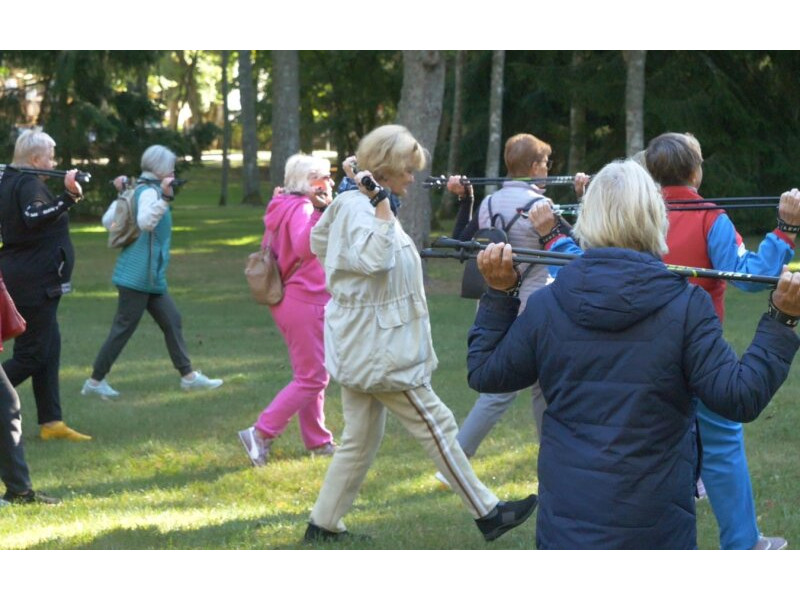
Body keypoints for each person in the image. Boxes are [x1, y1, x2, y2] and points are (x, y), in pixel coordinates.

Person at [468, 159, 800, 549]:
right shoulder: (686, 305)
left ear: (588, 219)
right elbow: (741, 395)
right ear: (654, 218)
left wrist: (500, 293)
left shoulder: (549, 303)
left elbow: (485, 371)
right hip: (652, 531)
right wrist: (781, 320)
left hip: (573, 533)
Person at [303, 124, 537, 543]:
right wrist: (378, 204)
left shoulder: (354, 204)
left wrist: (377, 205)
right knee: (438, 425)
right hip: (380, 349)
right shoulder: (362, 208)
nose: (412, 178)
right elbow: (371, 258)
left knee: (358, 441)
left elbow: (324, 244)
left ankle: (323, 524)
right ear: (387, 170)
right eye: (407, 170)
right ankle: (488, 513)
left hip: (364, 343)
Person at [433, 134, 588, 487]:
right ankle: (453, 465)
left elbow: (463, 241)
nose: (548, 169)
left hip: (496, 306)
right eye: (546, 163)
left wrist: (467, 200)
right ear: (534, 167)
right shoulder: (541, 205)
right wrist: (585, 199)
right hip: (534, 312)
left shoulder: (489, 202)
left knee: (540, 388)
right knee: (502, 394)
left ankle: (553, 460)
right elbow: (576, 249)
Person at [81, 145, 223, 399]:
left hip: (150, 277)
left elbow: (108, 222)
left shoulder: (137, 189)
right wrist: (164, 200)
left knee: (172, 320)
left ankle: (188, 377)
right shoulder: (149, 193)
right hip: (137, 277)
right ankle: (94, 382)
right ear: (159, 169)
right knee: (123, 329)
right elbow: (145, 223)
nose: (173, 170)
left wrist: (124, 195)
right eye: (170, 166)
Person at [237, 154, 336, 465]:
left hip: (292, 299)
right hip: (304, 300)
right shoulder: (302, 208)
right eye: (324, 178)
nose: (330, 183)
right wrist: (320, 212)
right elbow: (306, 247)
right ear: (308, 182)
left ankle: (318, 440)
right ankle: (261, 433)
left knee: (311, 373)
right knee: (313, 377)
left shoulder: (284, 204)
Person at [0, 128, 91, 441]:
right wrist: (69, 197)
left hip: (31, 277)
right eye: (50, 158)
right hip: (33, 281)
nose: (54, 164)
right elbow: (33, 216)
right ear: (36, 159)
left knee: (49, 348)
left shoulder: (14, 179)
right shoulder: (26, 184)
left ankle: (51, 423)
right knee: (32, 354)